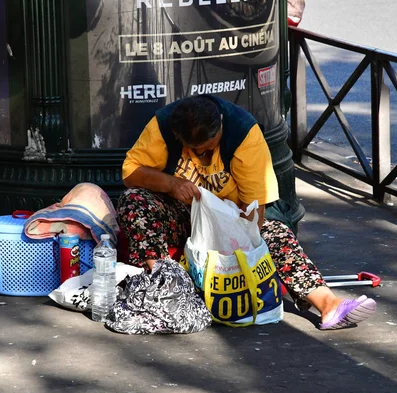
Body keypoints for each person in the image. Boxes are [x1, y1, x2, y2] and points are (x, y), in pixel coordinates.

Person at [117, 95, 376, 330]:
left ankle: (327, 303)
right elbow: (130, 173)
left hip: (232, 220)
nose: (202, 156)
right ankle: (165, 286)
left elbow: (255, 211)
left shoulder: (244, 132)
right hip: (182, 214)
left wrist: (231, 237)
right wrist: (172, 185)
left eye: (208, 148)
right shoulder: (163, 125)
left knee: (276, 232)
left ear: (220, 125)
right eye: (194, 149)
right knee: (134, 201)